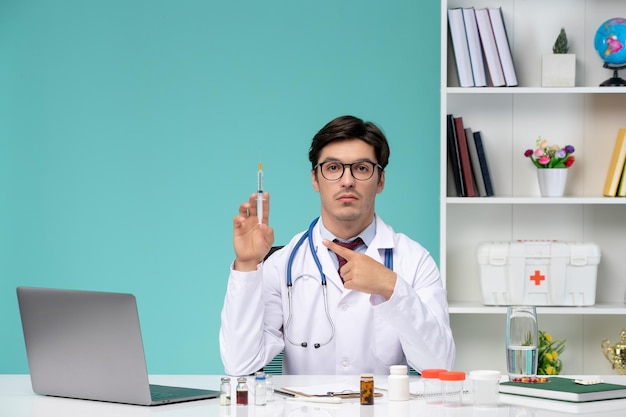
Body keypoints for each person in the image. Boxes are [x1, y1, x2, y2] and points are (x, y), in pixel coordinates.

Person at [220, 115, 455, 375]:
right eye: (333, 168)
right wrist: (247, 264)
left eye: (362, 168)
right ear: (314, 179)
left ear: (380, 181)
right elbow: (240, 363)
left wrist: (391, 287)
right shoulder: (281, 264)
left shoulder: (415, 260)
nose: (347, 181)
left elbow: (440, 366)